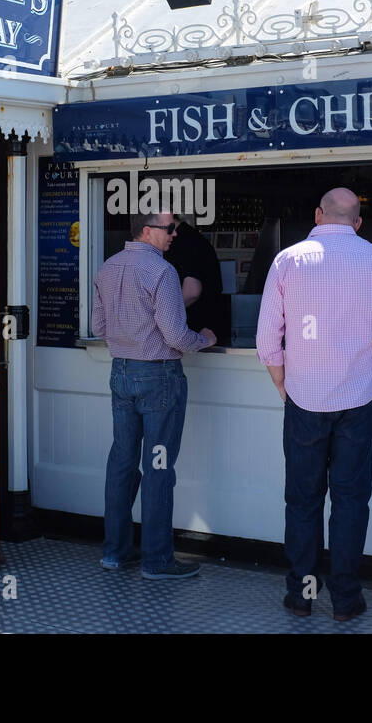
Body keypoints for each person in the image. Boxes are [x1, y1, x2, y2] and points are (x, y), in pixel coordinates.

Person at [256, 188, 372, 620]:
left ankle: (301, 594)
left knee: (303, 500)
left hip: (304, 400)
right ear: (358, 222)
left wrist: (283, 385)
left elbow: (267, 340)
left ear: (318, 215)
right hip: (359, 400)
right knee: (350, 500)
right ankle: (345, 599)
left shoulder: (289, 260)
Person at [92, 210, 216, 579]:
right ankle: (157, 560)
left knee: (122, 464)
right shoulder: (162, 272)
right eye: (169, 229)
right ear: (146, 231)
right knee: (159, 468)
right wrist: (205, 339)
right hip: (159, 376)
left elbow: (99, 326)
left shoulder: (107, 268)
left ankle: (114, 553)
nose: (175, 234)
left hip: (121, 374)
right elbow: (177, 336)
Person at [166, 216, 229, 345]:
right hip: (202, 329)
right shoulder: (191, 238)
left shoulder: (184, 242)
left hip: (201, 330)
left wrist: (162, 314)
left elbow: (192, 291)